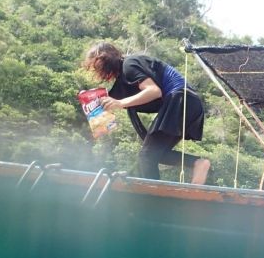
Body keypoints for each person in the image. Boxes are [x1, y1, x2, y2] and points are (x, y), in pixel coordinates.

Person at [82, 42, 210, 183]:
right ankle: (198, 163)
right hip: (187, 104)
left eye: (97, 66)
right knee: (156, 154)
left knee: (147, 156)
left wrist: (120, 103)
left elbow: (154, 91)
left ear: (105, 60)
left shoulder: (129, 65)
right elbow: (118, 100)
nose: (97, 71)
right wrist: (98, 115)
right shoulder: (123, 80)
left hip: (181, 99)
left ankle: (154, 200)